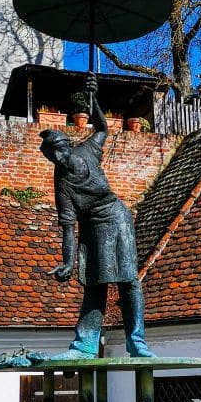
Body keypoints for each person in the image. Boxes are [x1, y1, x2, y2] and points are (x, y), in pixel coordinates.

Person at [30, 72, 154, 361]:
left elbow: (102, 127)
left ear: (67, 147)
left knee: (128, 280)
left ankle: (136, 341)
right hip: (93, 226)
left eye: (59, 152)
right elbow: (67, 228)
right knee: (96, 283)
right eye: (51, 157)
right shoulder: (62, 184)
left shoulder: (87, 151)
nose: (57, 160)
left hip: (117, 216)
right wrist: (67, 262)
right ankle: (84, 344)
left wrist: (93, 97)